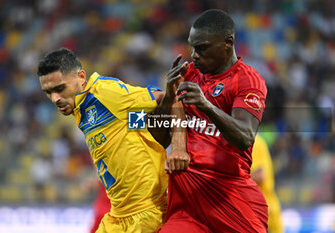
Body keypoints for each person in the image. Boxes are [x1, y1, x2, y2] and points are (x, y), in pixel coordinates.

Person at [37, 48, 189, 232]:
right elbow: (133, 122)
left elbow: (166, 99)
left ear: (81, 77)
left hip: (145, 214)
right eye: (48, 92)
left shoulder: (105, 93)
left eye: (59, 89)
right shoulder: (82, 108)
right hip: (117, 217)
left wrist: (179, 148)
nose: (54, 98)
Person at [158, 9, 268, 233]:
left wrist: (205, 105)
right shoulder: (187, 74)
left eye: (202, 47)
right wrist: (167, 98)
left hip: (229, 197)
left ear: (228, 43)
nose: (194, 54)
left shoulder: (247, 80)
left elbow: (245, 137)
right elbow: (159, 136)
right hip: (188, 202)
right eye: (192, 47)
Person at [251, 135, 284, 233]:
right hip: (263, 211)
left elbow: (260, 175)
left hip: (263, 213)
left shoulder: (254, 141)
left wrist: (231, 179)